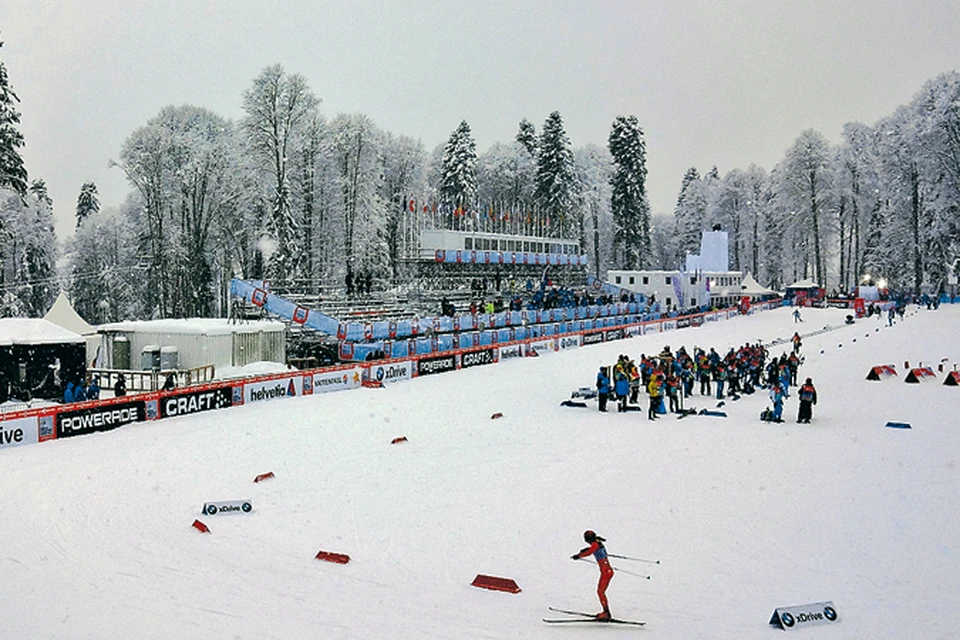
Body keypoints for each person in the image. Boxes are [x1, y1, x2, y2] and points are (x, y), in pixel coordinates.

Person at [571, 530, 614, 621]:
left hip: (606, 573)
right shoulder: (597, 541)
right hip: (607, 571)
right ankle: (606, 612)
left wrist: (579, 556)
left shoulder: (595, 544)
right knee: (600, 592)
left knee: (600, 592)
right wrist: (584, 550)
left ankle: (606, 613)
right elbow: (592, 548)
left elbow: (590, 551)